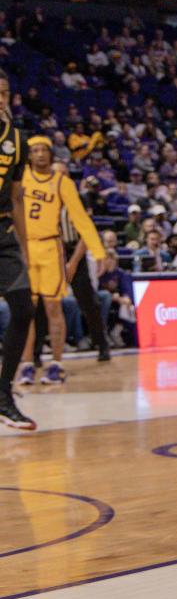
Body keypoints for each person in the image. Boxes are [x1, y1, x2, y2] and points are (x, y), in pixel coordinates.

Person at [17, 140, 106, 386]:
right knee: (25, 311)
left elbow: (82, 220)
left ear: (50, 154)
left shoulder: (62, 183)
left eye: (44, 150)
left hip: (50, 247)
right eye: (35, 151)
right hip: (24, 249)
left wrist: (99, 252)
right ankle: (26, 364)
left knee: (53, 309)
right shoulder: (20, 176)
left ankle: (56, 364)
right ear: (29, 156)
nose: (40, 155)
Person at [0, 69, 39, 430]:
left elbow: (16, 198)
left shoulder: (17, 139)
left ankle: (3, 394)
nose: (1, 97)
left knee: (24, 307)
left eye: (5, 91)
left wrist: (24, 248)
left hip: (4, 233)